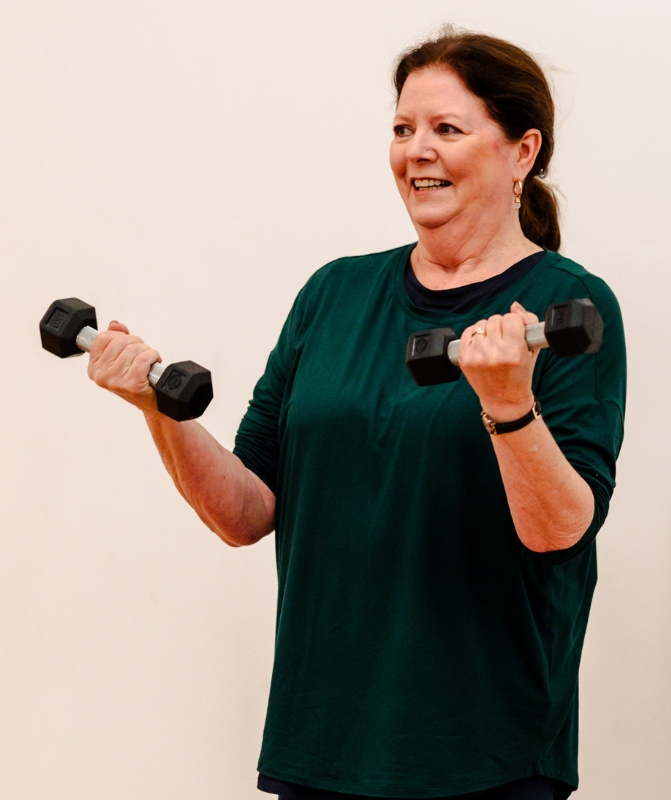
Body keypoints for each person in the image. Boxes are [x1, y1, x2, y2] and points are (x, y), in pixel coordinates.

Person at [85, 28, 626, 800]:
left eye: (447, 128)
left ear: (522, 152)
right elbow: (246, 511)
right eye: (403, 129)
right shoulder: (332, 296)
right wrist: (157, 410)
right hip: (322, 744)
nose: (418, 151)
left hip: (484, 757)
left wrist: (510, 405)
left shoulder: (569, 306)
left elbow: (560, 530)